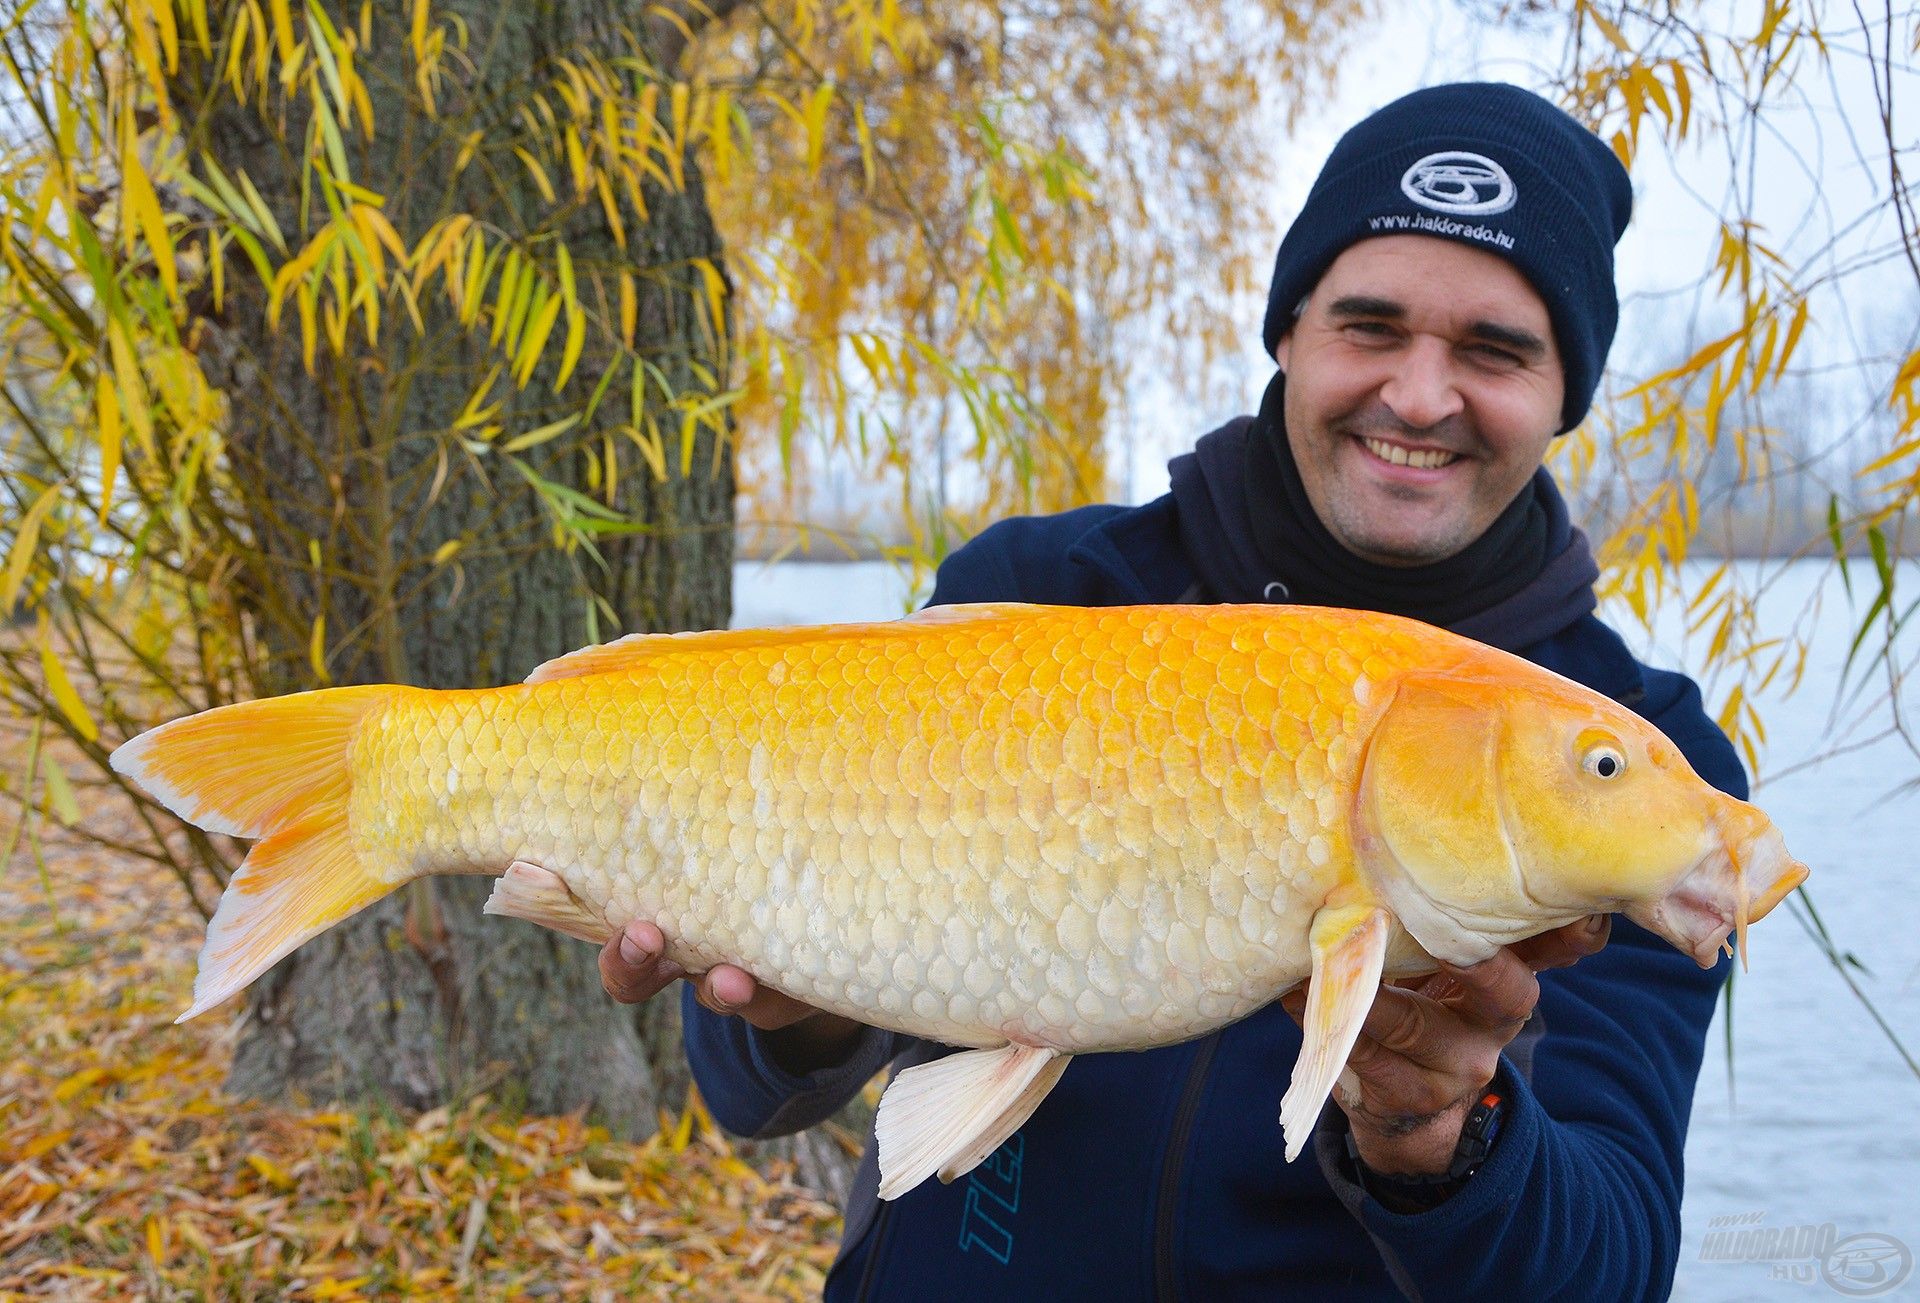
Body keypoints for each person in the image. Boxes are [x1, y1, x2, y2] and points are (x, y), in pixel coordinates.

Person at [597, 82, 1745, 1300]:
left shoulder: (1633, 766)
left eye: (1494, 350)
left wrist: (1439, 1137)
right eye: (1369, 326)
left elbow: (1612, 1268)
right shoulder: (1041, 590)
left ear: (1566, 391)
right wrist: (796, 1011)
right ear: (1290, 332)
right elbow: (751, 1085)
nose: (1418, 395)